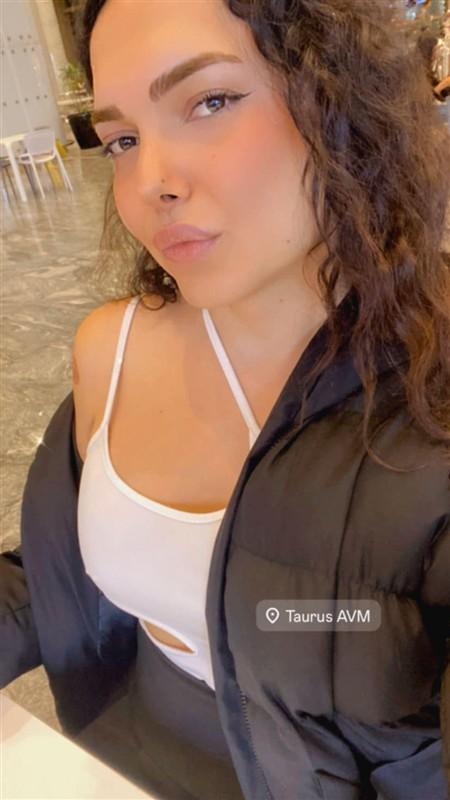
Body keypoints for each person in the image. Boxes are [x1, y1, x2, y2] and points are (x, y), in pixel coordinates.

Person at [1, 1, 450, 799]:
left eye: (210, 101)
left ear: (340, 102)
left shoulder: (427, 413)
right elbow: (58, 569)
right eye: (122, 140)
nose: (152, 183)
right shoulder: (113, 349)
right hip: (114, 757)